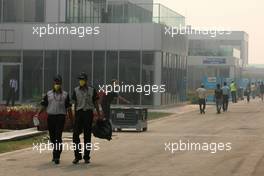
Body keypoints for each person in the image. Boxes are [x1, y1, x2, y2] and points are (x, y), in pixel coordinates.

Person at [35, 75, 72, 164]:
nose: (57, 84)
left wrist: (72, 120)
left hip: (60, 117)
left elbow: (69, 108)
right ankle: (55, 153)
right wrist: (38, 114)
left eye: (58, 83)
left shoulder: (65, 94)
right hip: (51, 117)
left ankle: (56, 156)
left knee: (58, 136)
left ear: (61, 83)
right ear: (53, 83)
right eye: (55, 83)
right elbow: (44, 105)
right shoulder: (49, 94)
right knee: (52, 138)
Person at [72, 72, 101, 164]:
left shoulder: (92, 90)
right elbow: (75, 103)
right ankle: (77, 156)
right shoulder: (76, 90)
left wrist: (99, 114)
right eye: (80, 80)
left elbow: (96, 103)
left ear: (86, 80)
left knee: (87, 136)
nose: (81, 81)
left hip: (88, 113)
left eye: (82, 79)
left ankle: (86, 157)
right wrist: (74, 115)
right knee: (75, 135)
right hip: (79, 113)